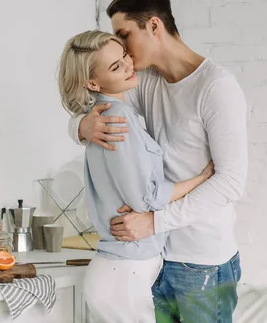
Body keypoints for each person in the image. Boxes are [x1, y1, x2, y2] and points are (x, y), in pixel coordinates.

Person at [67, 0, 248, 322]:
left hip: (201, 263)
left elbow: (231, 182)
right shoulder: (144, 81)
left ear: (153, 26)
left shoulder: (216, 87)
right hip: (153, 258)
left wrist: (155, 222)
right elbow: (101, 103)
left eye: (124, 35)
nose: (122, 49)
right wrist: (80, 126)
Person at [57, 30, 214, 322]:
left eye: (125, 56)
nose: (129, 65)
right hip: (124, 275)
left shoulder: (106, 114)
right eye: (116, 67)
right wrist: (202, 177)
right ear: (92, 82)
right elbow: (147, 197)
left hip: (121, 271)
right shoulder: (117, 118)